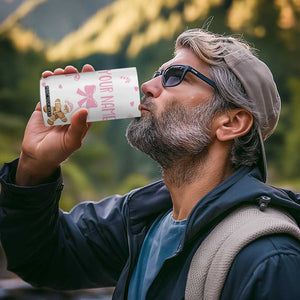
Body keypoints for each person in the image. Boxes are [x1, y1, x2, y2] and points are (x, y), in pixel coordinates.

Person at [0, 28, 300, 300]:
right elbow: (42, 258)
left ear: (231, 123)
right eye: (158, 74)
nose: (148, 85)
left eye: (176, 76)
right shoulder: (141, 219)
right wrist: (34, 167)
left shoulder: (269, 259)